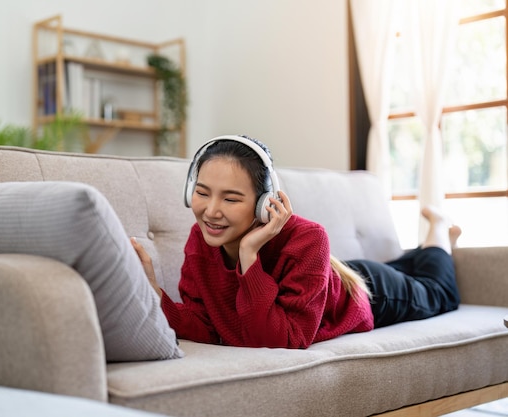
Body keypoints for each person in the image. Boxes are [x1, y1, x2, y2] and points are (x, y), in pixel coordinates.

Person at [131, 135, 461, 349]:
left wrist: (249, 255)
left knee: (438, 292)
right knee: (409, 267)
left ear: (265, 204)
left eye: (231, 199)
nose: (211, 211)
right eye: (202, 193)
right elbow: (203, 323)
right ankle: (424, 249)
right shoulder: (201, 240)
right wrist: (153, 292)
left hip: (367, 294)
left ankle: (439, 231)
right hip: (328, 279)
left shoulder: (308, 238)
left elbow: (282, 340)